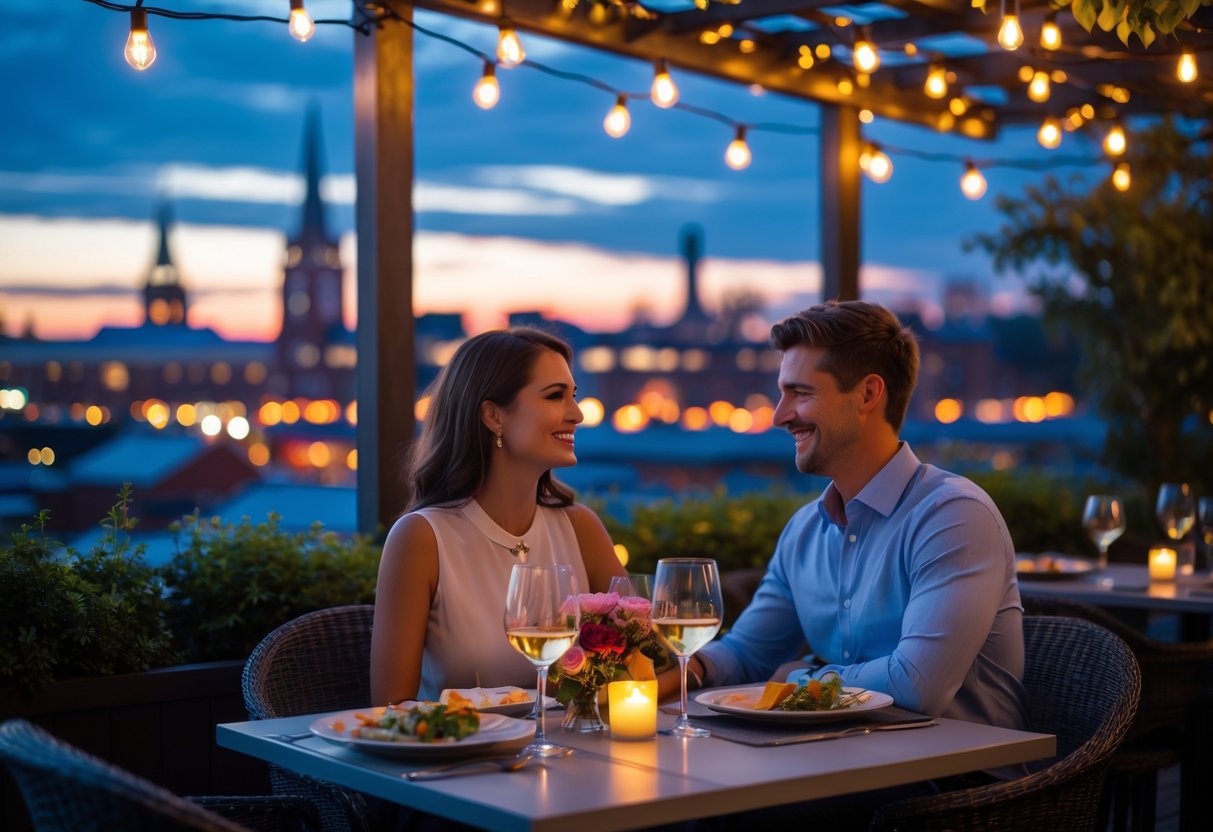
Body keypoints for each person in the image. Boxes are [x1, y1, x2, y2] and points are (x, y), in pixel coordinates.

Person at [686, 299, 1028, 732]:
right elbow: (749, 652)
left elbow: (915, 686)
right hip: (840, 761)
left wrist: (796, 679)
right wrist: (685, 669)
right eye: (783, 392)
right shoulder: (805, 531)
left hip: (963, 785)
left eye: (800, 393)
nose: (779, 415)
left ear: (868, 394)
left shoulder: (953, 517)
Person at [371, 328, 625, 705]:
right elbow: (390, 710)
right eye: (555, 396)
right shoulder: (421, 539)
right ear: (493, 416)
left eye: (574, 396)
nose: (577, 414)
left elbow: (649, 669)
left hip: (574, 759)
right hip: (460, 760)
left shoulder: (581, 528)